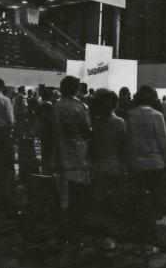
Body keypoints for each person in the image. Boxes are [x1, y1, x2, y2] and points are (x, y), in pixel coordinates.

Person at [126, 84, 166, 253]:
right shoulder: (157, 115)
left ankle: (140, 238)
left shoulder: (128, 115)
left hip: (135, 164)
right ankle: (151, 238)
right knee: (151, 203)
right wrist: (163, 159)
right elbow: (163, 142)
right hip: (155, 164)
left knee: (139, 202)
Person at [52, 75, 91, 213]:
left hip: (59, 149)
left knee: (62, 186)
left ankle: (63, 211)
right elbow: (86, 129)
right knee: (77, 187)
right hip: (77, 152)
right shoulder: (80, 106)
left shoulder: (56, 106)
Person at [91, 88, 127, 226]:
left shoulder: (96, 122)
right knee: (116, 198)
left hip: (99, 165)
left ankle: (100, 225)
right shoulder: (120, 122)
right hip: (115, 165)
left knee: (99, 198)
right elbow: (123, 145)